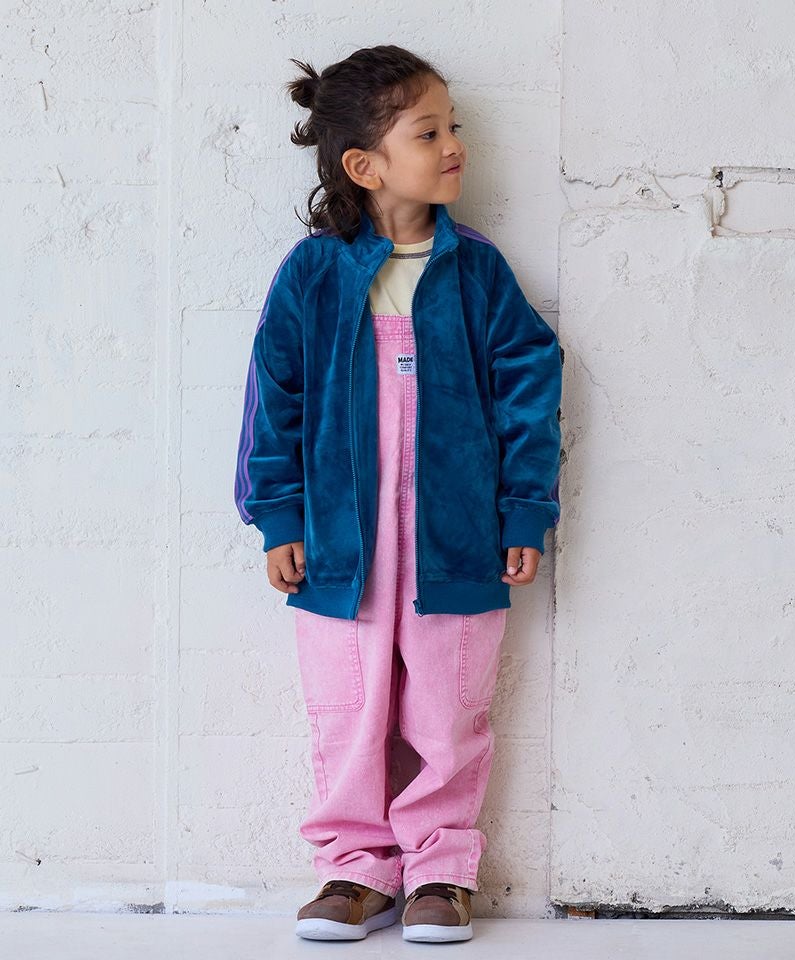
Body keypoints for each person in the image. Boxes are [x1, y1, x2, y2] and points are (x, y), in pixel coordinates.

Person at [234, 44, 563, 944]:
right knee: (347, 707)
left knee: (448, 709)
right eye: (429, 132)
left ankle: (441, 871)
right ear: (364, 164)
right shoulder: (313, 275)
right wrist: (278, 516)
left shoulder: (478, 271)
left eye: (454, 126)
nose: (455, 145)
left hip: (459, 538)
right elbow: (273, 400)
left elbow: (530, 389)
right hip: (339, 545)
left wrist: (524, 509)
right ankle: (354, 867)